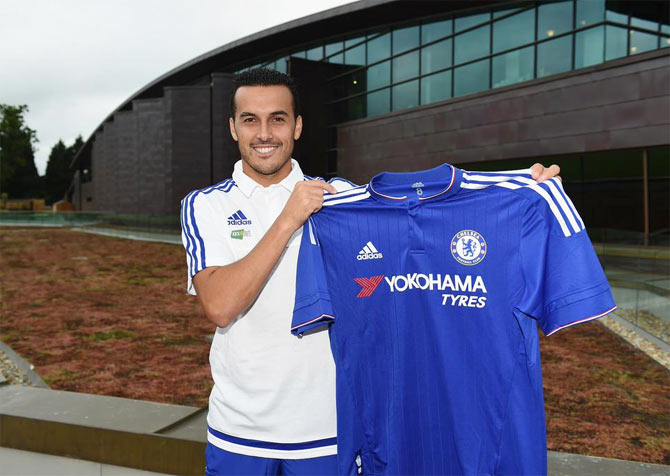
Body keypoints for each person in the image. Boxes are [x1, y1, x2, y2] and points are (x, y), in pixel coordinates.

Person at [180, 68, 561, 476]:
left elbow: (429, 206)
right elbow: (220, 306)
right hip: (239, 430)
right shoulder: (205, 205)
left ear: (298, 126)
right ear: (233, 128)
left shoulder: (341, 199)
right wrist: (289, 218)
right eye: (250, 120)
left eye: (278, 118)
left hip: (329, 431)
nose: (265, 133)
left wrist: (522, 186)